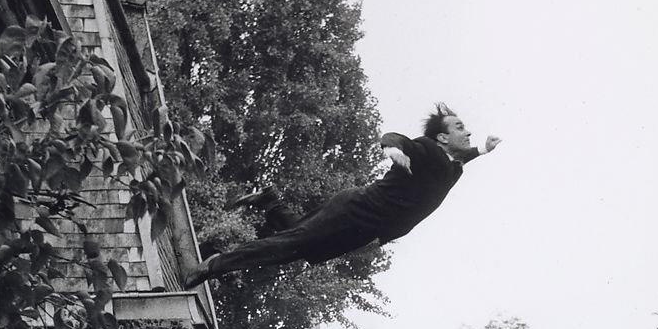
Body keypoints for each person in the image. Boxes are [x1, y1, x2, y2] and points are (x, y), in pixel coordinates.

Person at [184, 104, 501, 287]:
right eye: (460, 127)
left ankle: (269, 200)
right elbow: (396, 138)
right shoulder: (429, 150)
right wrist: (391, 149)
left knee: (299, 240)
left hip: (366, 229)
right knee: (292, 245)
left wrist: (483, 149)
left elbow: (464, 154)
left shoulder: (452, 167)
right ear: (443, 137)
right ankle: (213, 265)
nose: (468, 131)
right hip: (356, 210)